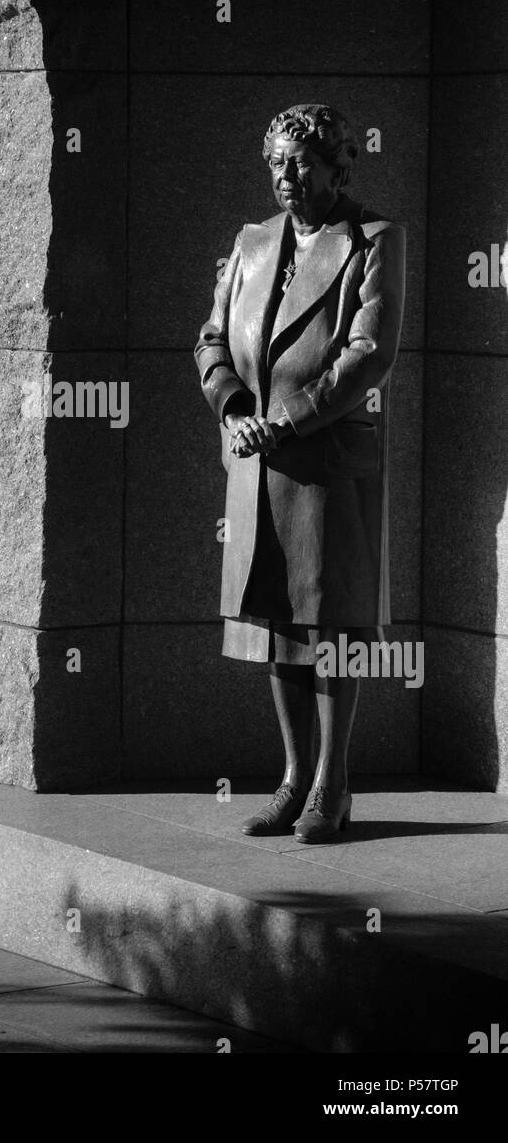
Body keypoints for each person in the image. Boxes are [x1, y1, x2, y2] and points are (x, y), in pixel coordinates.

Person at [194, 103, 406, 843]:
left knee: (331, 626)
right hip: (257, 463)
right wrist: (231, 407)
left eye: (301, 163)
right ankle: (291, 779)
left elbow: (367, 355)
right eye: (277, 163)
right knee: (278, 626)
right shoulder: (252, 243)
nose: (286, 176)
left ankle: (332, 785)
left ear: (338, 165)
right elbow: (212, 338)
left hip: (326, 463)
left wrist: (285, 418)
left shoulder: (373, 240)